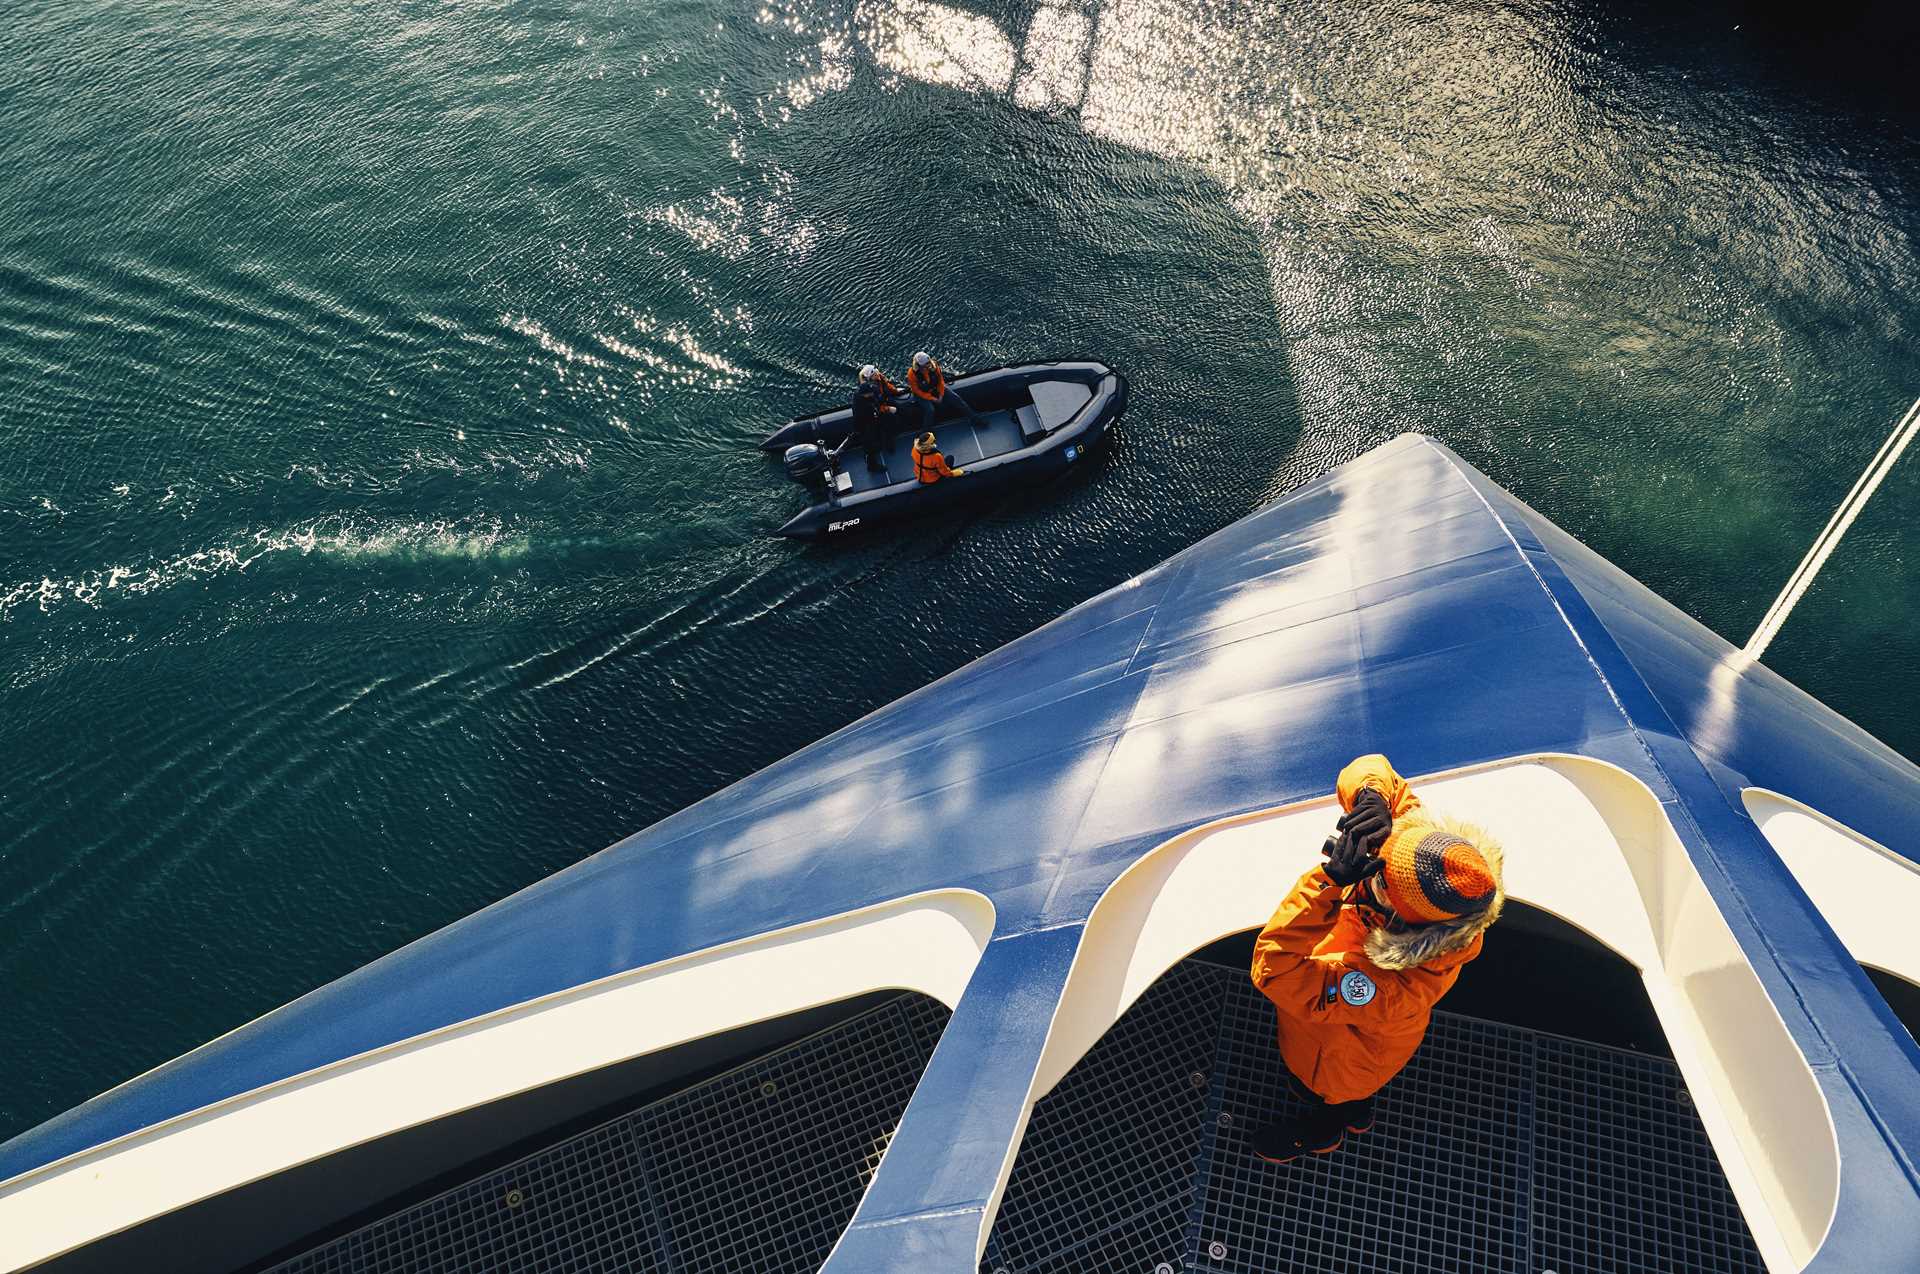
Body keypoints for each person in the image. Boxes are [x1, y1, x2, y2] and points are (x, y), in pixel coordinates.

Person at [1247, 753, 1504, 1163]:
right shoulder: (1423, 858)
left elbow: (1274, 970)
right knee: (1359, 1093)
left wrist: (1327, 884)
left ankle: (1323, 1131)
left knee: (1327, 1096)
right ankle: (1359, 1111)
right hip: (1374, 1051)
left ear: (1401, 918)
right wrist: (1373, 799)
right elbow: (1373, 766)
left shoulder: (1385, 987)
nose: (1374, 862)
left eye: (1381, 880)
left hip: (1331, 1064)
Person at [906, 351, 987, 435]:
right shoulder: (912, 374)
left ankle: (975, 419)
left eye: (928, 362)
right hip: (922, 394)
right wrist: (932, 398)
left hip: (934, 388)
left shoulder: (934, 365)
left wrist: (941, 394)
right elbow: (917, 391)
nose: (928, 365)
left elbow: (940, 381)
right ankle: (926, 431)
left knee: (956, 399)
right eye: (926, 364)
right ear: (919, 365)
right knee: (930, 410)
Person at [849, 363, 906, 470]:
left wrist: (896, 392)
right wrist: (883, 410)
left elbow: (880, 395)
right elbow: (867, 414)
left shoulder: (871, 389)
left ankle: (888, 443)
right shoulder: (860, 402)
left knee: (890, 423)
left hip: (876, 415)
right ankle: (872, 464)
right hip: (866, 422)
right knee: (869, 443)